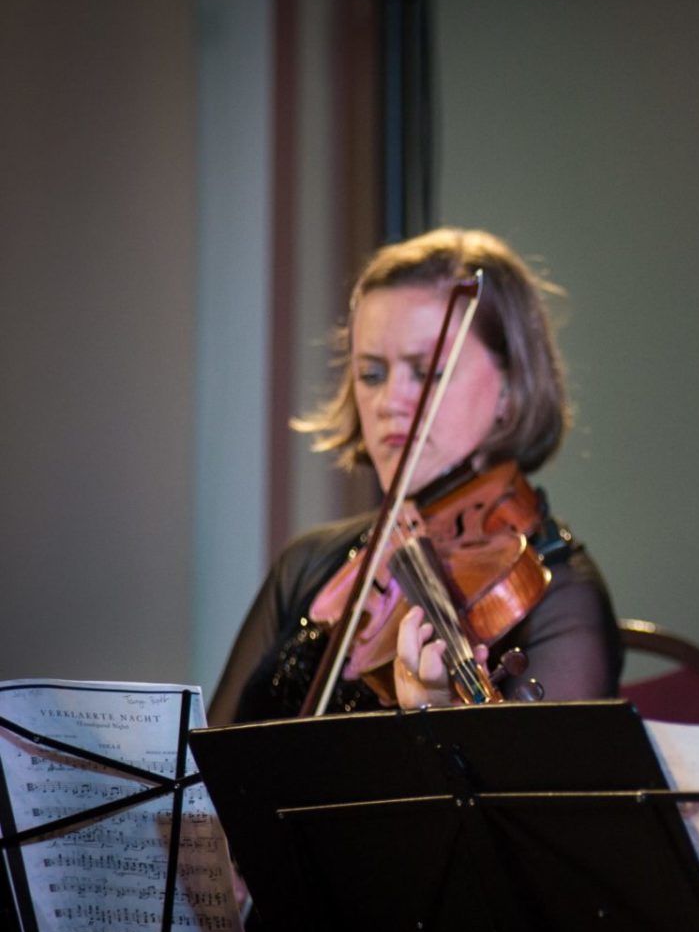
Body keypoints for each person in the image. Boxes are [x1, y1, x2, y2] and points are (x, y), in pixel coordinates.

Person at [211, 227, 622, 726]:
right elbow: (202, 785)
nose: (389, 403)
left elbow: (526, 801)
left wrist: (439, 721)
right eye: (372, 374)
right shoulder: (311, 565)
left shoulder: (559, 597)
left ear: (510, 389)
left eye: (426, 372)